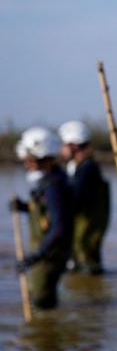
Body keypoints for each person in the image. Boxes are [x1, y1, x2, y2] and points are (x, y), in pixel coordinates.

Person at [9, 127, 73, 309]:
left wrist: (37, 255)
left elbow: (60, 225)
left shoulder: (54, 185)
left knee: (41, 301)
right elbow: (46, 212)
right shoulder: (50, 180)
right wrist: (23, 207)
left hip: (50, 254)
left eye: (28, 159)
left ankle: (46, 334)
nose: (25, 163)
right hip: (48, 250)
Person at [58, 120, 110, 275]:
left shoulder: (87, 168)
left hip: (88, 224)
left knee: (87, 262)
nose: (61, 149)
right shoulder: (77, 166)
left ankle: (93, 295)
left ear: (73, 145)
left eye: (64, 145)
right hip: (82, 223)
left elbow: (77, 198)